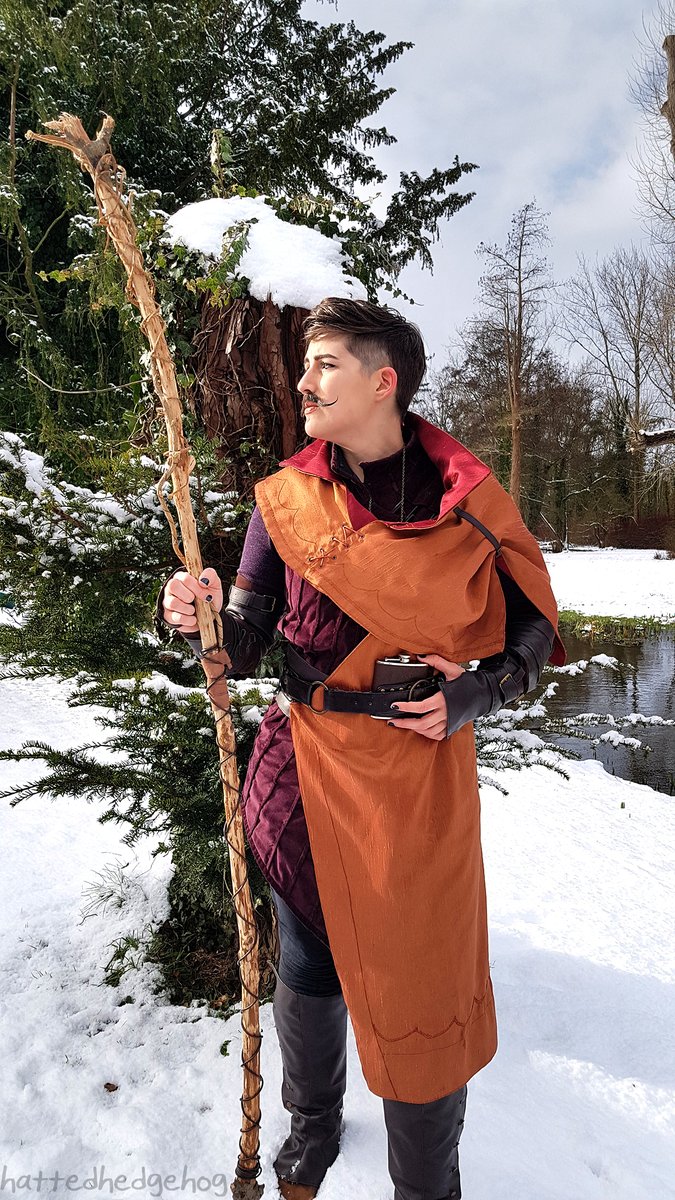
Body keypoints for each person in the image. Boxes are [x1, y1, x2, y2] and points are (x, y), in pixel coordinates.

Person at [158, 297, 565, 1200]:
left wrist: (474, 694)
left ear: (384, 382)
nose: (303, 381)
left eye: (325, 363)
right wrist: (195, 618)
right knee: (308, 956)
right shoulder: (286, 499)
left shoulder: (466, 499)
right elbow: (242, 641)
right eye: (306, 364)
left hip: (417, 776)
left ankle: (426, 1183)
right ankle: (311, 1124)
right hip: (302, 763)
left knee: (420, 977)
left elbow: (534, 626)